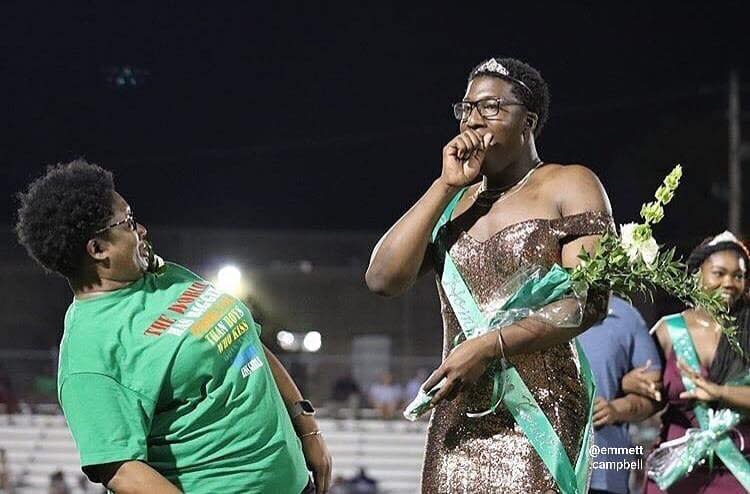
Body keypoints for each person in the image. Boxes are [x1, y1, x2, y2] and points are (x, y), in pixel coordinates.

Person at [366, 57, 613, 492]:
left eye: (491, 107)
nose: (474, 119)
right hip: (460, 418)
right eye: (466, 108)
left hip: (540, 412)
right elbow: (382, 280)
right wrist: (445, 186)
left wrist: (488, 346)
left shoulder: (570, 183)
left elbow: (587, 301)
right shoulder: (452, 204)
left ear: (529, 121)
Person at [15, 160, 331, 494]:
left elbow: (245, 339)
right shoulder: (89, 353)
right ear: (98, 249)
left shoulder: (166, 276)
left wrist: (306, 424)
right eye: (129, 223)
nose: (142, 231)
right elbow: (122, 470)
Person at [623, 232, 750, 493]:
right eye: (719, 273)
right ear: (697, 274)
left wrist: (719, 392)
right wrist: (629, 383)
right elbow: (647, 398)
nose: (729, 282)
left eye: (738, 276)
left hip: (736, 475)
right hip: (674, 475)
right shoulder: (668, 331)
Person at [577, 296, 662, 494]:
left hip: (603, 471)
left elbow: (655, 394)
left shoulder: (625, 315)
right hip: (540, 470)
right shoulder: (531, 307)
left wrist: (615, 410)